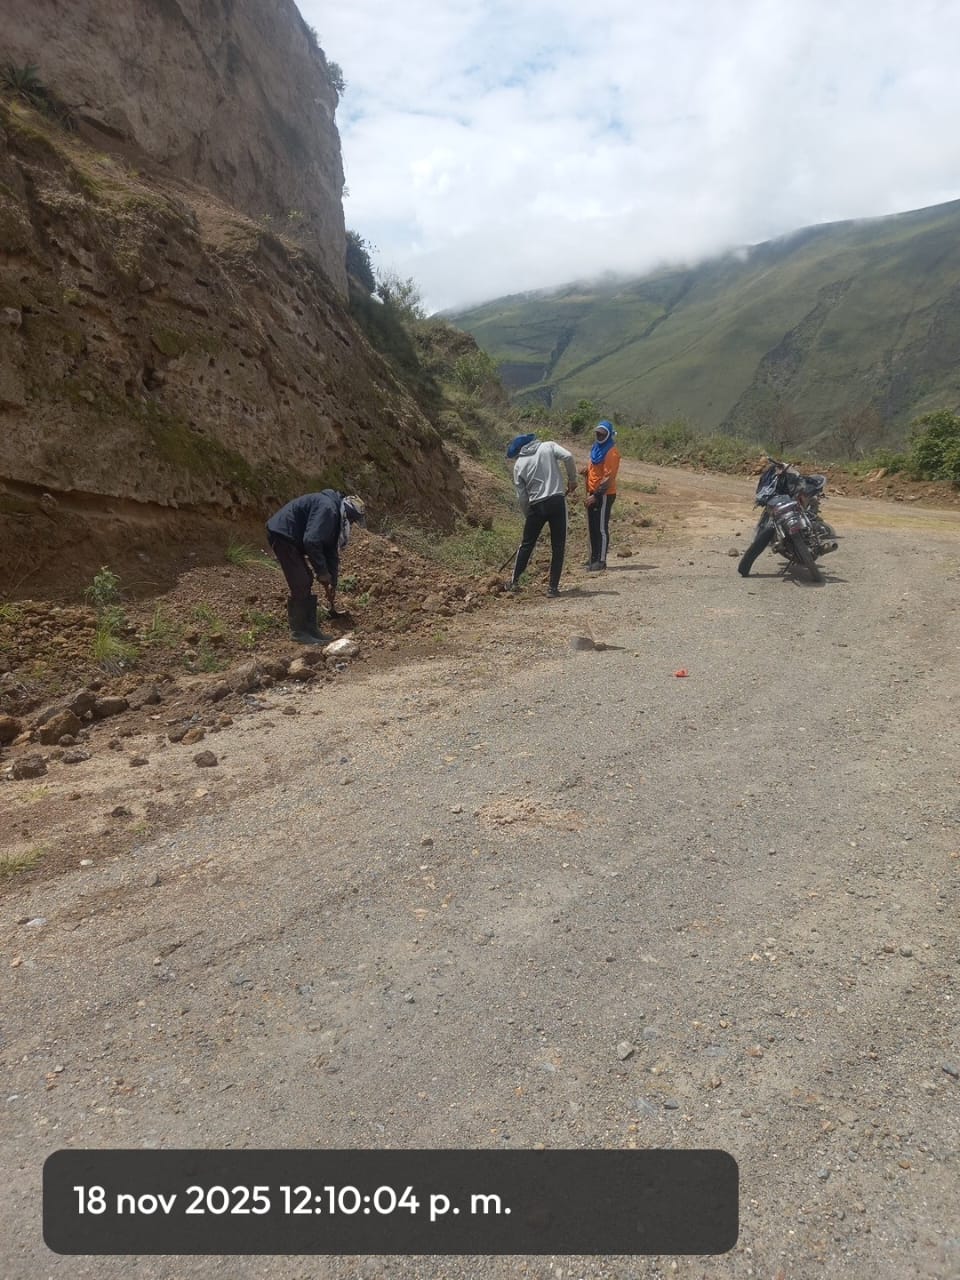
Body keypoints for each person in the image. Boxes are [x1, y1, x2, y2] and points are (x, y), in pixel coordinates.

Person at [266, 491, 366, 643]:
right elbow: (312, 541)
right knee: (301, 581)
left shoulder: (334, 516)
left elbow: (330, 551)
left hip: (292, 538)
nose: (351, 524)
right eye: (352, 520)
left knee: (306, 579)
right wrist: (322, 572)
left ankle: (311, 629)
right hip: (282, 534)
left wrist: (332, 582)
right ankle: (299, 633)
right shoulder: (329, 510)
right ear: (348, 513)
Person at [505, 433, 578, 597]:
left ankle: (514, 582)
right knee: (558, 546)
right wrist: (572, 480)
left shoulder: (519, 464)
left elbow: (522, 497)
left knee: (526, 544)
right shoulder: (548, 446)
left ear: (518, 451)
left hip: (536, 505)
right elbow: (568, 456)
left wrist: (529, 516)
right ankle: (552, 588)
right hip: (557, 501)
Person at [582, 420, 621, 570]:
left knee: (601, 528)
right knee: (593, 527)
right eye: (597, 433)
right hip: (593, 492)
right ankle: (593, 558)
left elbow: (608, 478)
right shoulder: (596, 447)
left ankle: (602, 560)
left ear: (608, 435)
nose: (599, 436)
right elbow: (594, 466)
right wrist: (587, 470)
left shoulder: (612, 452)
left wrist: (596, 496)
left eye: (602, 434)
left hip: (604, 494)